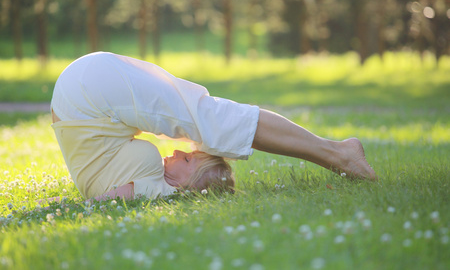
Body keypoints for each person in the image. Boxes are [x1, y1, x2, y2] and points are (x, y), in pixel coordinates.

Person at [50, 52, 377, 203]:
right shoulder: (159, 188)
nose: (178, 151)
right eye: (189, 159)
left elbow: (107, 198)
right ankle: (338, 153)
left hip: (84, 97)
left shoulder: (148, 184)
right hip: (84, 95)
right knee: (207, 119)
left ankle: (338, 153)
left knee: (206, 119)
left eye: (189, 160)